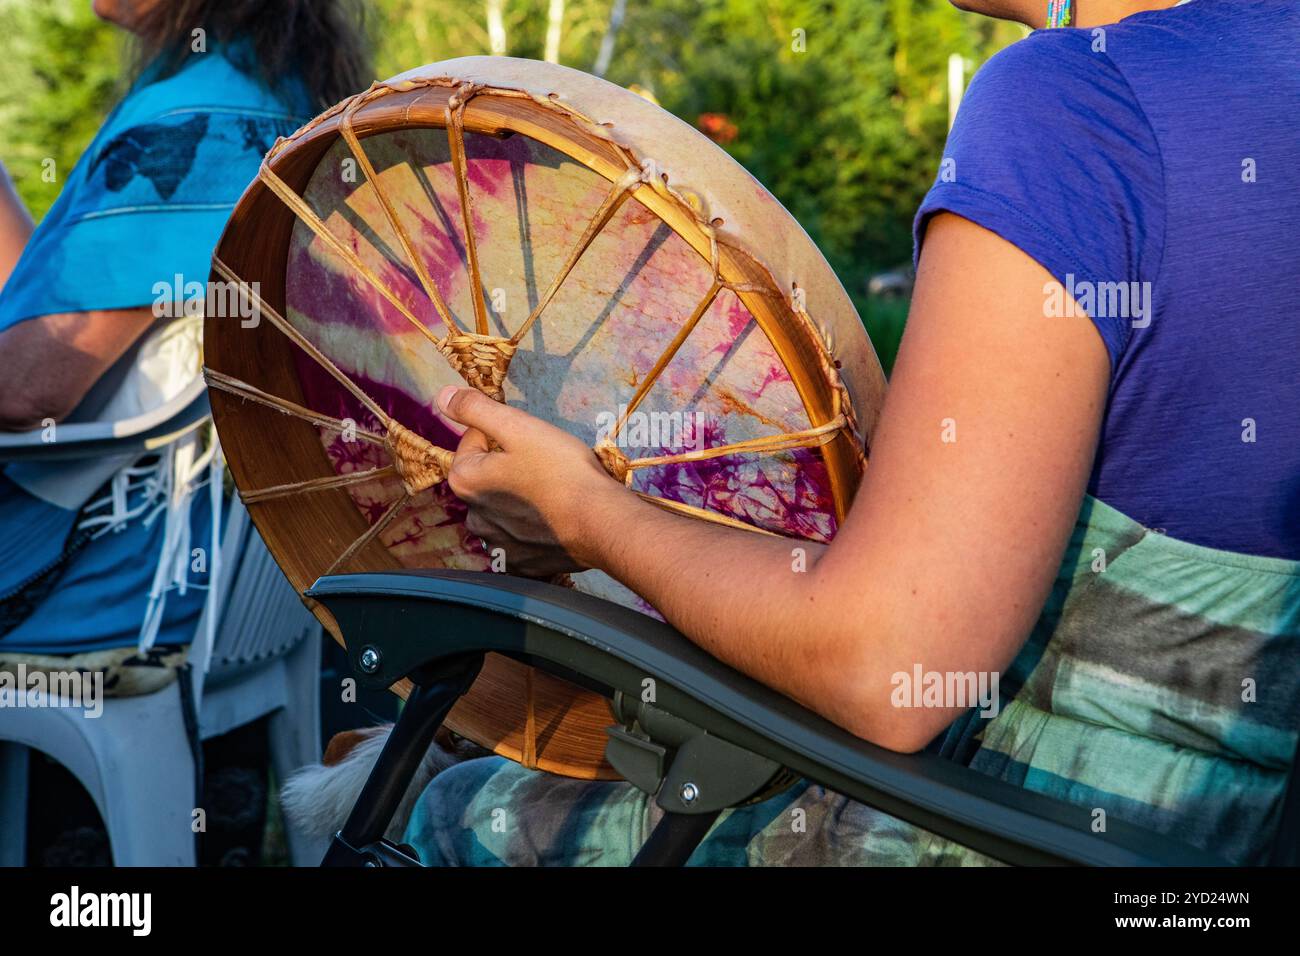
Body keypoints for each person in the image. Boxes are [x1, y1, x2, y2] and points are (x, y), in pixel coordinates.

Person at [404, 0, 1300, 866]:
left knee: (443, 811)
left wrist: (583, 515)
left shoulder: (1073, 105)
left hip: (1016, 820)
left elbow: (888, 663)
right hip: (1227, 836)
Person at [0, 0, 368, 672]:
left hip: (96, 571)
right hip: (219, 567)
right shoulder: (272, 96)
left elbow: (27, 391)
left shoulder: (192, 124)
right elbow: (59, 317)